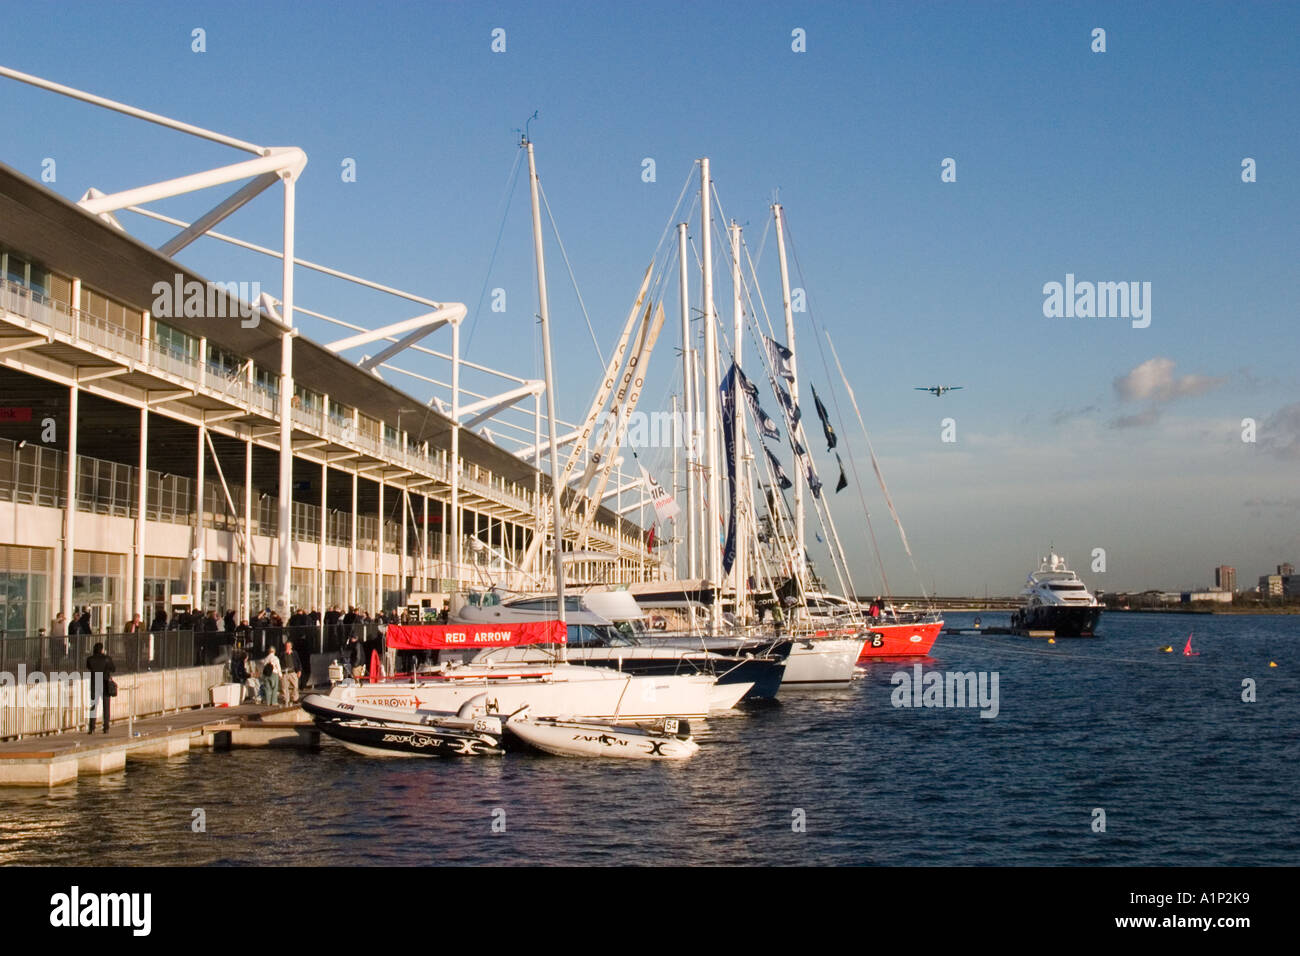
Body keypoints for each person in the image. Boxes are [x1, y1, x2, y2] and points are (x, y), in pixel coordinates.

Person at [86, 642, 115, 734]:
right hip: (105, 681)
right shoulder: (107, 658)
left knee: (93, 706)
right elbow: (113, 668)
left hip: (95, 682)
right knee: (106, 706)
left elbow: (88, 667)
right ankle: (106, 727)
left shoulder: (90, 659)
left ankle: (92, 728)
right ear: (102, 649)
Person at [280, 640, 302, 705]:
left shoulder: (294, 653)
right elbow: (279, 661)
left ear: (291, 647)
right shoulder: (282, 653)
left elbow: (298, 662)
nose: (288, 647)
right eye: (286, 646)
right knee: (284, 687)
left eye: (289, 646)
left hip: (292, 672)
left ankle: (295, 698)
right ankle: (286, 699)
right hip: (285, 672)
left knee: (295, 686)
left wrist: (299, 670)